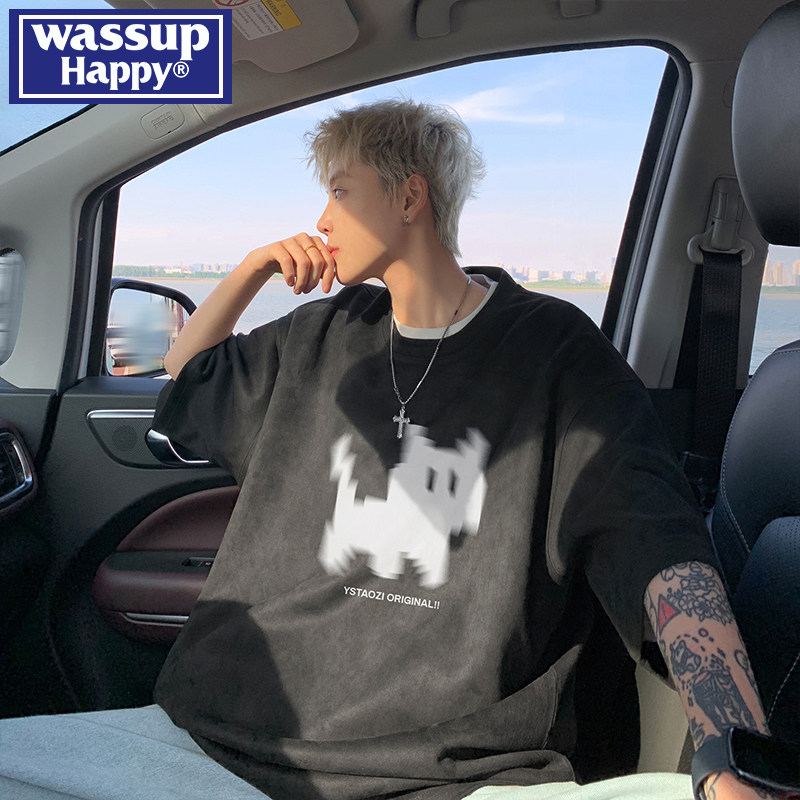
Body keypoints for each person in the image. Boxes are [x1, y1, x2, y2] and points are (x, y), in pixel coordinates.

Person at [0, 99, 773, 800]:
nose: (321, 220)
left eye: (340, 192)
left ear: (409, 198)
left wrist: (731, 750)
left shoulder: (554, 352)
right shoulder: (323, 332)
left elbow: (659, 546)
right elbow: (188, 377)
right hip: (218, 741)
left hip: (449, 774)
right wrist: (254, 267)